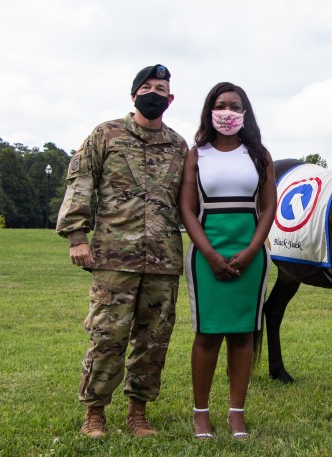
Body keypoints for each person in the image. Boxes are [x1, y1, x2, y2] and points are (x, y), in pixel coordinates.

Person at [56, 64, 188, 439]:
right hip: (114, 257)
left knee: (153, 340)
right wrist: (77, 237)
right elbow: (81, 181)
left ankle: (138, 413)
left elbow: (188, 200)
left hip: (163, 259)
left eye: (161, 88)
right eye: (146, 87)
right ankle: (94, 413)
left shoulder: (178, 145)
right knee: (107, 336)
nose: (154, 93)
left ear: (170, 98)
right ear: (133, 95)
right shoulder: (106, 134)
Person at [180, 82, 276, 440]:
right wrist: (209, 253)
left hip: (250, 253)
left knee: (242, 334)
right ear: (209, 111)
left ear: (245, 113)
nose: (227, 112)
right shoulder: (196, 154)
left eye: (235, 106)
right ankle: (200, 415)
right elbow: (187, 209)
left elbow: (269, 207)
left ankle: (237, 414)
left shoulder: (259, 154)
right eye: (220, 105)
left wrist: (253, 250)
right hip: (207, 252)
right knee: (207, 335)